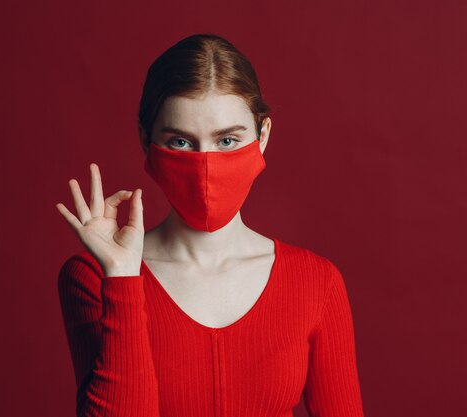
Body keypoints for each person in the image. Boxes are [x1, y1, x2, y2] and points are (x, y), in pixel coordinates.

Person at [56, 33, 365, 417]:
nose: (205, 166)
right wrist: (121, 277)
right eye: (182, 143)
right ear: (145, 140)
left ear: (262, 136)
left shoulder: (317, 282)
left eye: (228, 141)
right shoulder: (92, 278)